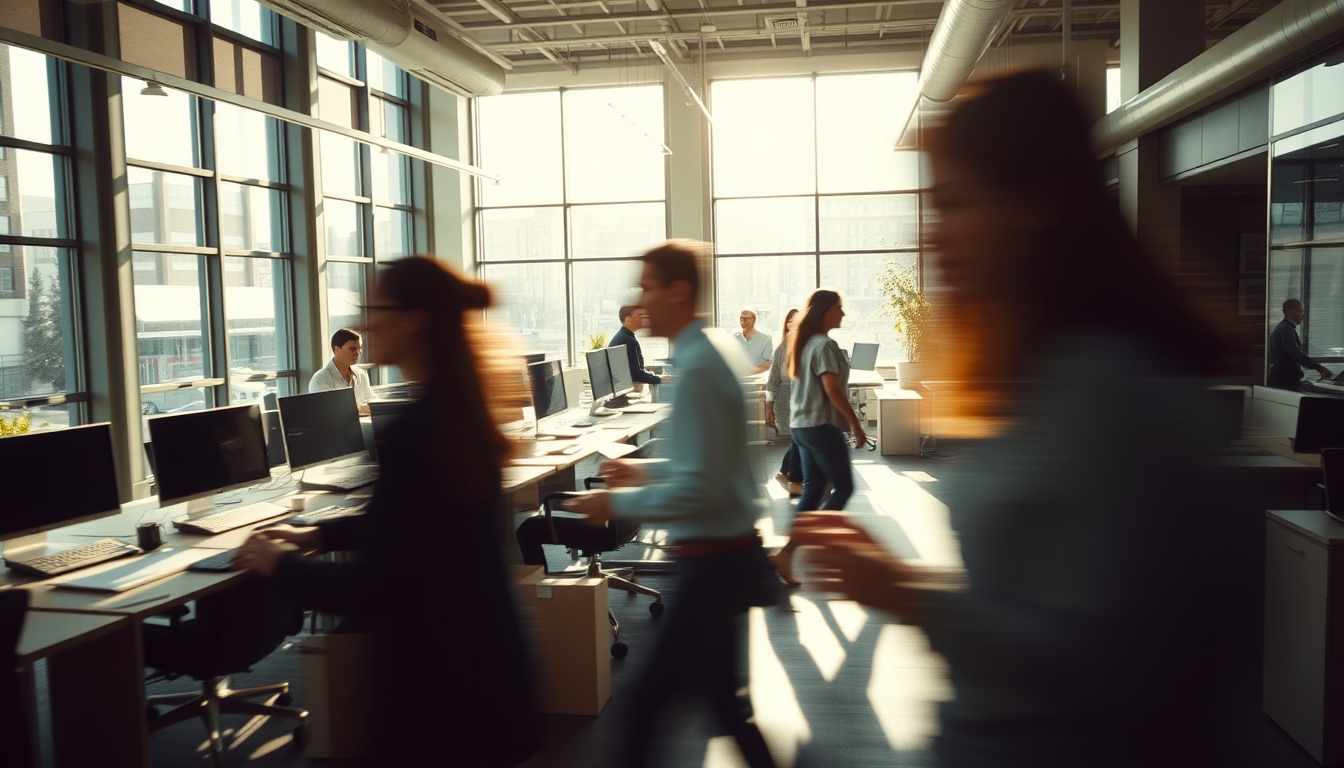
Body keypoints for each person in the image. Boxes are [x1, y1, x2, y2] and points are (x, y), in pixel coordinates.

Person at [792, 71, 1243, 768]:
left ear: (1035, 200)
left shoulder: (1107, 389)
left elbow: (1101, 669)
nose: (935, 239)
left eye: (954, 204)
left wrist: (903, 592)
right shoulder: (1046, 375)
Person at [233, 257, 538, 766]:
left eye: (376, 309)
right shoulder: (463, 411)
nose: (367, 325)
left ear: (414, 318)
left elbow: (380, 584)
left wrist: (277, 565)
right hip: (485, 673)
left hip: (436, 696)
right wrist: (320, 537)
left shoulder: (417, 430)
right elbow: (420, 531)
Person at [566, 240, 777, 768]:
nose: (639, 300)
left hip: (712, 565)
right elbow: (705, 467)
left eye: (647, 287)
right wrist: (641, 468)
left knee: (643, 709)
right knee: (727, 708)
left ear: (678, 290)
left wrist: (617, 499)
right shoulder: (709, 351)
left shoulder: (699, 366)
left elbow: (698, 490)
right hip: (726, 557)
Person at [769, 290, 865, 585]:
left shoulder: (804, 342)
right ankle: (803, 549)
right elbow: (832, 390)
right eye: (839, 308)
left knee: (812, 491)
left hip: (803, 427)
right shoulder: (823, 344)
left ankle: (787, 554)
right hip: (822, 426)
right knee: (844, 489)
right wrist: (855, 424)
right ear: (825, 312)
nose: (843, 314)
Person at [765, 307, 802, 498]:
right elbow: (772, 381)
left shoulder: (804, 343)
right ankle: (791, 476)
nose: (793, 324)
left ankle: (787, 474)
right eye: (790, 320)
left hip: (800, 398)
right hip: (786, 398)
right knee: (801, 438)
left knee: (801, 438)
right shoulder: (783, 347)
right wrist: (768, 408)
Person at [309, 327, 376, 416]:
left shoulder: (361, 375)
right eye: (352, 349)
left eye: (359, 348)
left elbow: (374, 405)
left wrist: (357, 409)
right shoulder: (321, 378)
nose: (358, 352)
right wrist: (357, 409)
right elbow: (327, 412)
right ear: (337, 349)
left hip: (363, 427)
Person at [1268, 298, 1333, 390]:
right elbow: (1295, 354)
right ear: (1290, 312)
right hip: (1284, 380)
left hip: (1281, 378)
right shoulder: (1286, 329)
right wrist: (1318, 367)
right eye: (1300, 311)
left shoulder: (1282, 328)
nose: (1303, 315)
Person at [609, 305, 670, 387]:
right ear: (628, 319)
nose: (642, 319)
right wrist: (658, 379)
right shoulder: (627, 340)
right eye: (639, 316)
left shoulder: (626, 336)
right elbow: (636, 374)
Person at [733, 308, 773, 373]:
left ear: (754, 320)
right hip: (739, 379)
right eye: (742, 318)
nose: (744, 321)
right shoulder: (734, 339)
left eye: (747, 319)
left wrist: (750, 371)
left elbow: (768, 363)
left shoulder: (765, 339)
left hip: (758, 379)